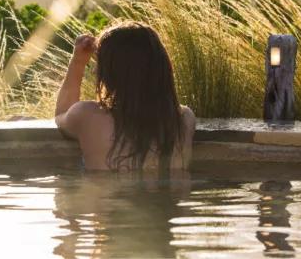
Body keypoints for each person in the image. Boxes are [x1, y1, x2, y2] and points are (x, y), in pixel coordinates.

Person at [55, 21, 196, 171]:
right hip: (169, 194)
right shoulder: (185, 119)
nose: (95, 71)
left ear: (112, 72)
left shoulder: (87, 115)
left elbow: (61, 116)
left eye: (100, 63)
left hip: (105, 193)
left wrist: (78, 61)